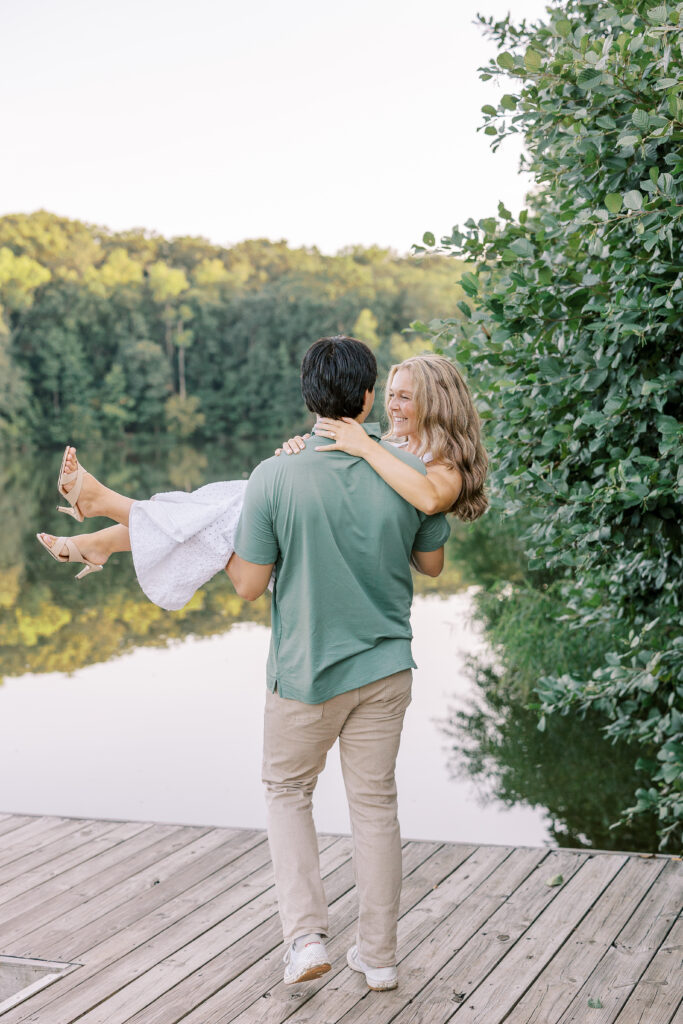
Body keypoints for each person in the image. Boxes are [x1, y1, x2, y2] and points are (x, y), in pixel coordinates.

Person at [36, 339, 488, 990]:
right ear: (365, 399)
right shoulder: (408, 472)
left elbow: (249, 586)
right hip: (386, 668)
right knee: (375, 807)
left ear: (310, 398)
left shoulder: (277, 473)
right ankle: (379, 957)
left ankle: (305, 939)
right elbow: (431, 562)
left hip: (306, 674)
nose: (389, 400)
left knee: (286, 793)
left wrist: (221, 545)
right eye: (384, 390)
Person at [36, 353, 488, 603]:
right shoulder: (394, 447)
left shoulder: (442, 464)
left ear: (437, 403)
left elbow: (429, 518)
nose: (392, 406)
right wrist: (297, 455)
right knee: (226, 502)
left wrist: (363, 446)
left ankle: (104, 514)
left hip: (324, 573)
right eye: (390, 395)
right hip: (314, 548)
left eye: (405, 397)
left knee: (229, 507)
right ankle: (102, 537)